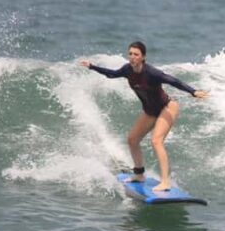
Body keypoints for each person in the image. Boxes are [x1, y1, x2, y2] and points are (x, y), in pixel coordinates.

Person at [80, 41, 208, 193]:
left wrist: (193, 92)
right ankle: (139, 175)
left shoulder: (152, 73)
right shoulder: (127, 70)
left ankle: (166, 182)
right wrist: (92, 66)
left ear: (143, 57)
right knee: (132, 139)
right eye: (130, 54)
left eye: (136, 54)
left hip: (167, 107)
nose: (132, 57)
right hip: (150, 111)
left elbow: (173, 81)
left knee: (156, 141)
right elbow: (112, 74)